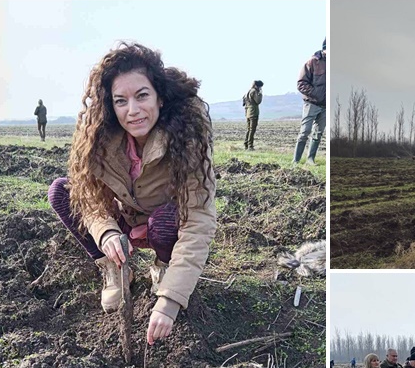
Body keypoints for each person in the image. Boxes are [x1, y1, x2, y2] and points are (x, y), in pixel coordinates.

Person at [47, 43, 217, 346]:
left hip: (164, 224)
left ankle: (164, 271)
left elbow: (198, 220)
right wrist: (107, 234)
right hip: (124, 220)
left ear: (160, 97)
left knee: (167, 219)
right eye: (120, 101)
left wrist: (170, 302)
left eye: (142, 96)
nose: (133, 110)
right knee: (62, 190)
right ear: (110, 105)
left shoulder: (187, 137)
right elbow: (88, 199)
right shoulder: (99, 138)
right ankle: (113, 268)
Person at [293, 38, 326, 165]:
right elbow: (301, 83)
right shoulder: (312, 62)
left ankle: (310, 159)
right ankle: (295, 160)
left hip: (325, 106)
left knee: (318, 134)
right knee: (304, 132)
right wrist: (315, 94)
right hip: (311, 103)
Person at [242, 80, 262, 151]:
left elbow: (244, 102)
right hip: (253, 113)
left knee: (249, 129)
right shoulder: (254, 91)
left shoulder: (248, 92)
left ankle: (246, 144)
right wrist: (260, 94)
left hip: (248, 113)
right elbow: (258, 101)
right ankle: (250, 146)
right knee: (252, 130)